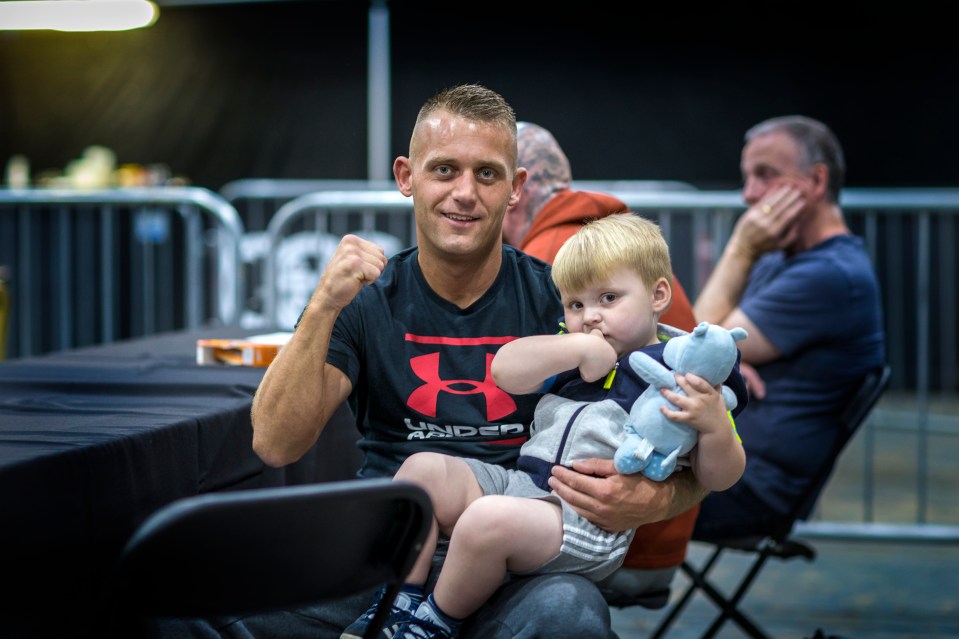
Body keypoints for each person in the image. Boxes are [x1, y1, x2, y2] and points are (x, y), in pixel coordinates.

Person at [240, 84, 708, 639]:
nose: (465, 192)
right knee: (202, 607)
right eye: (444, 170)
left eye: (487, 174)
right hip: (389, 554)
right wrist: (321, 305)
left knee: (569, 618)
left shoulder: (562, 301)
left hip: (520, 563)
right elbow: (275, 443)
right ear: (405, 177)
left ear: (516, 188)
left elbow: (699, 452)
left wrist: (651, 499)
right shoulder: (364, 298)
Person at [342, 213, 748, 639]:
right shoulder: (572, 347)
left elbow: (721, 476)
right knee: (421, 473)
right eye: (576, 304)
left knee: (486, 520)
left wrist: (714, 424)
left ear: (658, 294)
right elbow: (505, 371)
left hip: (582, 523)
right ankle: (396, 603)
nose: (590, 317)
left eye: (608, 298)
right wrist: (572, 347)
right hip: (522, 484)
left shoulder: (684, 370)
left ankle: (432, 625)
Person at [502, 121, 701, 597]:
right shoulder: (632, 259)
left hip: (608, 541)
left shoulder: (550, 263)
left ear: (516, 192)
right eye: (577, 308)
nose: (589, 317)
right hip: (661, 542)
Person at [692, 115, 886, 540]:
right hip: (719, 461)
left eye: (766, 176)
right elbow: (706, 344)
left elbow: (695, 349)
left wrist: (741, 248)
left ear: (816, 181)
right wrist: (730, 363)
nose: (749, 195)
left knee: (584, 486)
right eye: (747, 178)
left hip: (749, 490)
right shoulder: (784, 258)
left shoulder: (830, 274)